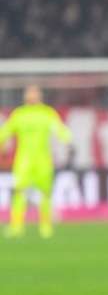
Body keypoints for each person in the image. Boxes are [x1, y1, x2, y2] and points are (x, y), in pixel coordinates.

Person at [0, 85, 71, 238]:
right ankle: (17, 227)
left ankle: (45, 227)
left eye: (34, 93)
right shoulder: (20, 114)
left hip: (42, 161)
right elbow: (5, 133)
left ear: (39, 96)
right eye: (30, 93)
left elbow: (60, 130)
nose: (32, 96)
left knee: (45, 194)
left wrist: (67, 140)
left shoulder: (46, 113)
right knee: (20, 193)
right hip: (24, 160)